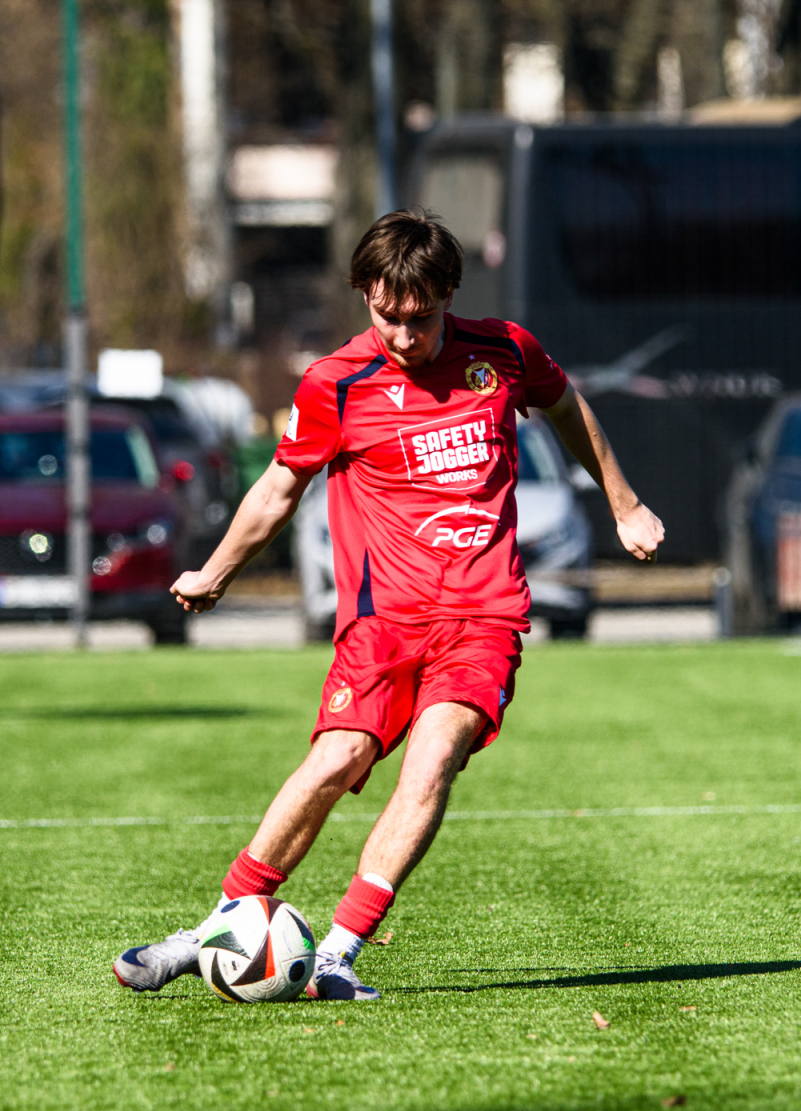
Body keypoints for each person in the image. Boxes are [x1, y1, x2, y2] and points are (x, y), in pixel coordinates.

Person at [113, 210, 664, 1001]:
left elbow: (566, 405)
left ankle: (336, 954)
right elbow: (278, 489)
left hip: (483, 618)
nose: (403, 336)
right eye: (385, 316)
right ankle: (216, 928)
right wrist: (216, 571)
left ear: (449, 296)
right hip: (381, 624)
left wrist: (624, 503)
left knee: (433, 758)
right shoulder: (335, 383)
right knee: (337, 758)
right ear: (363, 295)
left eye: (420, 317)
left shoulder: (504, 352)